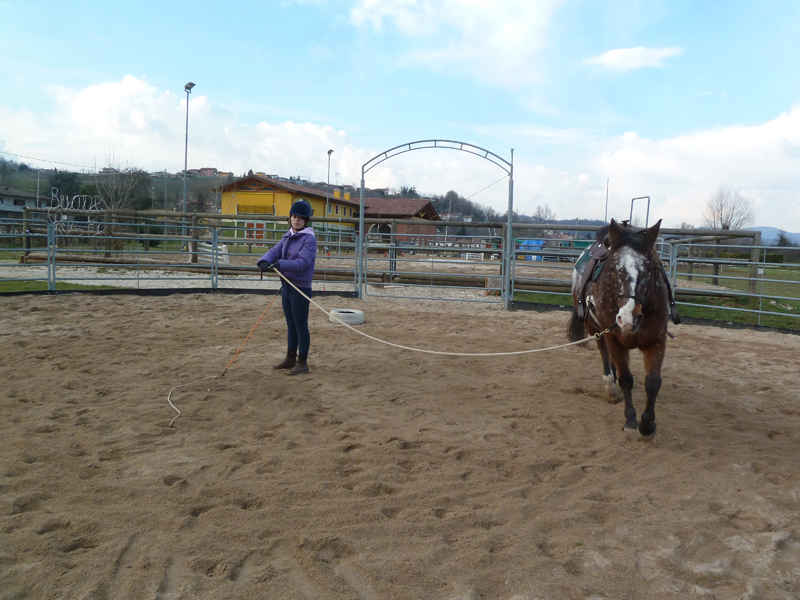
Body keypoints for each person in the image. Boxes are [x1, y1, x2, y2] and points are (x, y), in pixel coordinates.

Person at [257, 200, 317, 375]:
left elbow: (301, 263)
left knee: (300, 325)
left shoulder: (309, 240)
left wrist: (280, 264)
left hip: (300, 288)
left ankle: (302, 362)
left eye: (300, 217)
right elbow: (275, 251)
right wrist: (264, 260)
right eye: (294, 216)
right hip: (287, 286)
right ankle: (290, 357)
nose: (296, 220)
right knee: (291, 324)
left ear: (306, 220)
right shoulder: (287, 236)